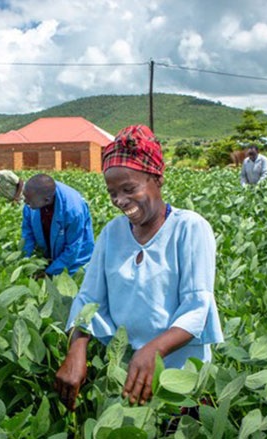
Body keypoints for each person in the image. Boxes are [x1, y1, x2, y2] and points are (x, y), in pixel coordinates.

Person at [55, 125, 224, 410]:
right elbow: (88, 299)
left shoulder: (189, 228)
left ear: (157, 179)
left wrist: (152, 351)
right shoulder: (112, 233)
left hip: (179, 378)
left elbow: (198, 306)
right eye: (112, 193)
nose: (120, 201)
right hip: (125, 373)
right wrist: (77, 348)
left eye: (129, 189)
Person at [21, 173, 94, 276]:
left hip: (75, 257)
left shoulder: (73, 210)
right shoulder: (32, 198)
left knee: (70, 281)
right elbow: (27, 235)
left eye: (28, 200)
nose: (25, 201)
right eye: (25, 197)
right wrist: (24, 261)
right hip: (51, 248)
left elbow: (73, 248)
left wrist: (49, 272)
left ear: (46, 200)